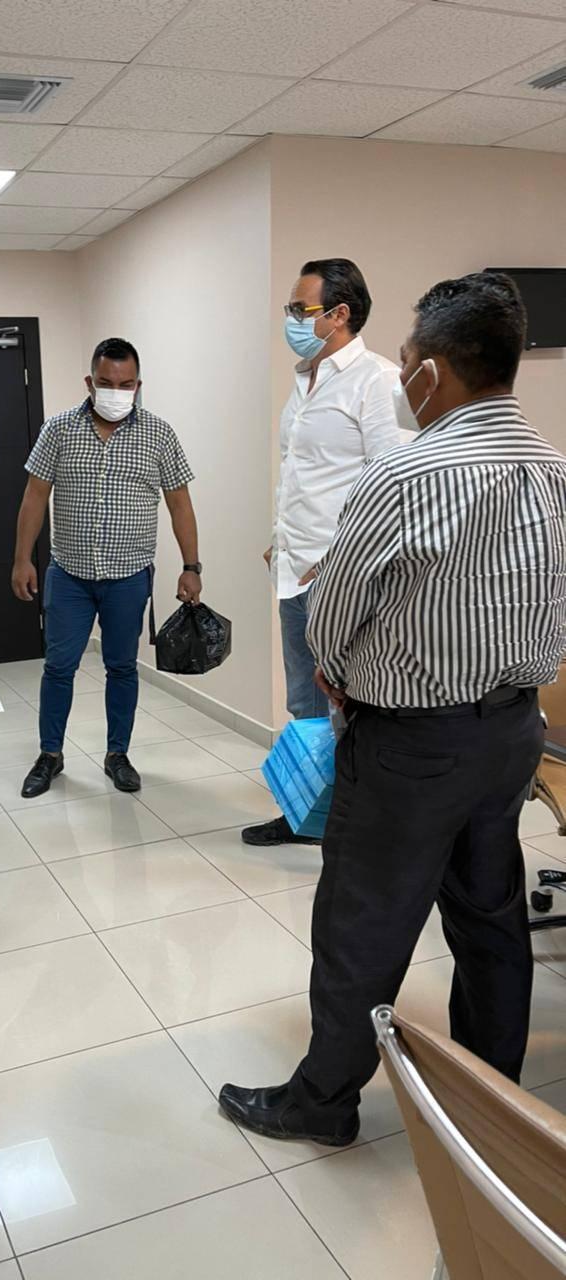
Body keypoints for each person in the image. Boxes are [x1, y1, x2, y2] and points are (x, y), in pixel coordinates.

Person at [220, 272, 566, 1147]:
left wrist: (342, 679)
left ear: (431, 373)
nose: (403, 375)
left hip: (411, 745)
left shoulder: (406, 474)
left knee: (363, 923)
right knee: (490, 918)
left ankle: (323, 1102)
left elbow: (330, 619)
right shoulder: (557, 472)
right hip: (514, 734)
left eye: (408, 360)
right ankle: (490, 1105)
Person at [243, 258, 403, 849]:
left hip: (344, 577)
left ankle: (358, 822)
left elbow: (391, 486)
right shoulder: (307, 379)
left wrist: (337, 560)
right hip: (294, 569)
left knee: (353, 703)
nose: (289, 318)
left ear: (339, 314)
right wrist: (280, 538)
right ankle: (309, 818)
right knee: (306, 702)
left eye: (299, 308)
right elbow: (304, 473)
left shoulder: (377, 381)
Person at [12, 337, 201, 798]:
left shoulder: (159, 434)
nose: (117, 391)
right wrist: (22, 558)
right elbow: (35, 496)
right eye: (106, 383)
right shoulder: (58, 429)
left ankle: (118, 754)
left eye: (126, 383)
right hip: (69, 574)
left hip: (129, 577)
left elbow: (180, 503)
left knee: (121, 667)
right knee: (59, 667)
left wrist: (191, 565)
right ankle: (50, 754)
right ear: (89, 382)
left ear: (138, 384)